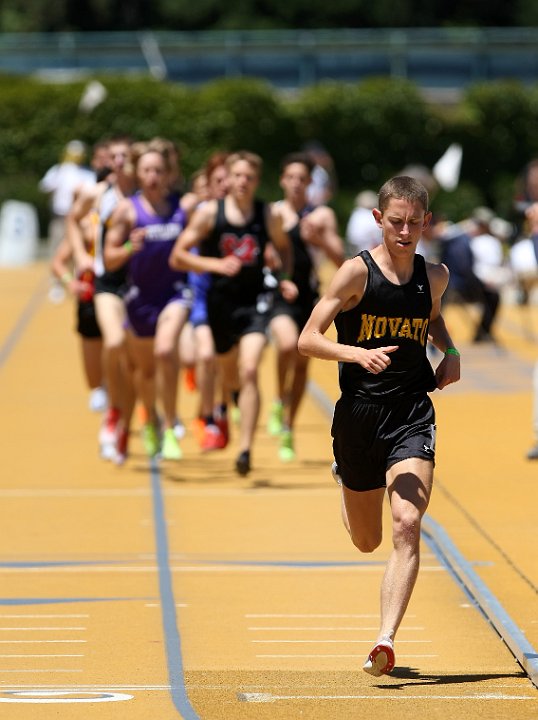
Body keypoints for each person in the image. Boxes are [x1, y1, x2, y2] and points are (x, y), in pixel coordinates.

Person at [297, 175, 460, 677]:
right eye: (396, 222)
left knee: (408, 524)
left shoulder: (435, 276)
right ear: (378, 220)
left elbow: (431, 319)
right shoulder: (354, 274)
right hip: (359, 415)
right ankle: (344, 475)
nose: (405, 231)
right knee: (366, 540)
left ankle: (385, 640)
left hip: (411, 410)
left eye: (414, 222)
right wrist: (354, 353)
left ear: (426, 222)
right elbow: (307, 338)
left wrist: (449, 351)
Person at [169, 150, 297, 475]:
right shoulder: (210, 214)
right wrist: (214, 264)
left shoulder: (266, 214)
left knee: (251, 368)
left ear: (256, 181)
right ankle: (232, 398)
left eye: (249, 177)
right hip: (220, 303)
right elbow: (179, 255)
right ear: (229, 178)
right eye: (237, 176)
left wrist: (283, 278)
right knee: (229, 373)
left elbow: (283, 246)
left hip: (255, 302)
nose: (243, 182)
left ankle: (245, 450)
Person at [105, 142, 192, 462]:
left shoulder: (183, 208)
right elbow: (109, 259)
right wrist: (129, 246)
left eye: (159, 170)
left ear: (169, 174)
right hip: (140, 298)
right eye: (147, 170)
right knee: (144, 371)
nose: (153, 176)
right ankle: (150, 416)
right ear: (137, 174)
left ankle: (171, 425)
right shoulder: (127, 211)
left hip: (174, 293)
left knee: (166, 350)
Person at [267, 152, 345, 461]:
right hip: (279, 292)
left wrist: (319, 240)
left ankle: (288, 425)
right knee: (287, 345)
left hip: (309, 297)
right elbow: (261, 253)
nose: (297, 184)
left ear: (310, 182)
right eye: (291, 178)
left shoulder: (321, 216)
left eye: (303, 178)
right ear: (282, 180)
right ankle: (277, 399)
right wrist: (275, 269)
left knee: (302, 364)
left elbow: (341, 259)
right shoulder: (273, 214)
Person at [66, 136, 137, 463]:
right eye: (115, 157)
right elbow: (71, 218)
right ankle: (112, 406)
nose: (120, 162)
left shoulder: (145, 196)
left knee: (136, 365)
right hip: (106, 280)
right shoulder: (98, 193)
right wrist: (81, 255)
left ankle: (128, 418)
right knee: (113, 342)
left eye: (126, 156)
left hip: (142, 283)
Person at [39, 140, 96, 256]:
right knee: (57, 249)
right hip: (60, 216)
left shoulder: (87, 173)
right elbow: (45, 186)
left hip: (81, 218)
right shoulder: (58, 170)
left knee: (77, 250)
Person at [345, 190, 383, 255]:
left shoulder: (356, 213)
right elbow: (377, 235)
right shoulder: (370, 215)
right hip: (369, 250)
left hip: (353, 248)